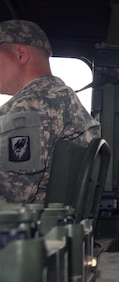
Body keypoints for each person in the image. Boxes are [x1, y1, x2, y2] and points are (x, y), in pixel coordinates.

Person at [0, 20, 100, 204]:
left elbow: (9, 194)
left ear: (22, 54)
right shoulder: (60, 97)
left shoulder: (31, 106)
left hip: (22, 229)